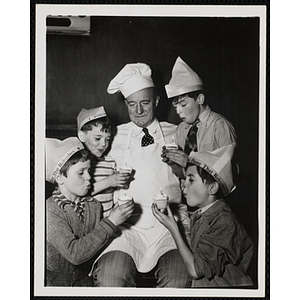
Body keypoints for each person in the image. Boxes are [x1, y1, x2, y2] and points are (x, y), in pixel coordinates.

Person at [91, 62, 191, 287]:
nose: (138, 111)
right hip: (126, 228)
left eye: (144, 103)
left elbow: (204, 177)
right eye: (132, 104)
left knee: (178, 278)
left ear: (156, 101)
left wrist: (186, 164)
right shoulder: (113, 137)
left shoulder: (178, 133)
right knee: (109, 277)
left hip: (170, 226)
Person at [152, 144, 254, 287]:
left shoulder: (224, 222)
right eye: (184, 178)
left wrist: (174, 228)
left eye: (191, 180)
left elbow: (195, 270)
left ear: (212, 188)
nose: (183, 184)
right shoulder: (203, 212)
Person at [45, 137, 134, 286]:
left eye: (89, 170)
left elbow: (96, 242)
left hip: (87, 282)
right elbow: (75, 254)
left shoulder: (93, 205)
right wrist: (111, 222)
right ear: (60, 178)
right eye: (81, 173)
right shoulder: (49, 211)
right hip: (57, 286)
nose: (89, 177)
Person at [162, 57, 237, 178]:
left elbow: (230, 172)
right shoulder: (181, 129)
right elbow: (183, 176)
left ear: (200, 99)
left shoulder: (220, 125)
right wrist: (174, 163)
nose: (178, 111)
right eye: (175, 107)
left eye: (183, 104)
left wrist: (191, 162)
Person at [77, 106, 131, 217]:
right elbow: (78, 194)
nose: (103, 144)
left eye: (107, 139)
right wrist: (109, 182)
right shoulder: (77, 164)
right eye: (97, 138)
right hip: (87, 225)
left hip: (108, 223)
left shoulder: (110, 162)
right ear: (82, 136)